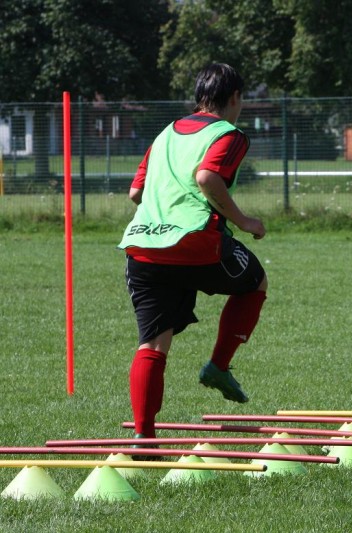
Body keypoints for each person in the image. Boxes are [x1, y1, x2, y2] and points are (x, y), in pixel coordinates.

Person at [118, 63, 268, 452]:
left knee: (152, 344)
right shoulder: (229, 134)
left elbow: (136, 193)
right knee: (256, 282)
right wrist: (245, 221)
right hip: (195, 243)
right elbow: (207, 177)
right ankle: (218, 365)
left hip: (143, 247)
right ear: (235, 98)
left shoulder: (165, 133)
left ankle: (144, 438)